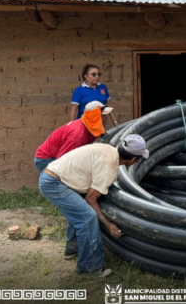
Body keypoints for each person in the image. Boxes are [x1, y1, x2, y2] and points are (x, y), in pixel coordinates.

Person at [39, 134, 150, 277]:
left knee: (78, 212)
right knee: (87, 217)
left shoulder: (108, 150)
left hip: (52, 176)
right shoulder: (109, 167)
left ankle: (72, 249)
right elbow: (91, 199)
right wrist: (108, 223)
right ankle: (89, 267)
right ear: (134, 159)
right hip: (54, 183)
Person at [34, 101, 113, 173]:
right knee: (60, 183)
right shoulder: (77, 135)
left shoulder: (90, 127)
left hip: (57, 157)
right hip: (48, 158)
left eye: (106, 115)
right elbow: (61, 161)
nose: (106, 118)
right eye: (103, 115)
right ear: (93, 117)